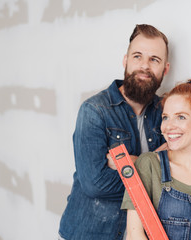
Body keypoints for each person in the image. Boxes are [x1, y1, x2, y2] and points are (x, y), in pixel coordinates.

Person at [58, 24, 170, 240]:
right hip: (91, 234)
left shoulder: (166, 112)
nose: (144, 66)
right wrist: (156, 165)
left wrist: (130, 164)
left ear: (165, 69)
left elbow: (181, 172)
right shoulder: (94, 111)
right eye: (137, 56)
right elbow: (95, 184)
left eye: (154, 60)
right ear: (125, 60)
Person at [121, 79, 191, 239]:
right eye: (166, 117)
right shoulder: (148, 165)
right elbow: (135, 236)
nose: (168, 126)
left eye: (181, 117)